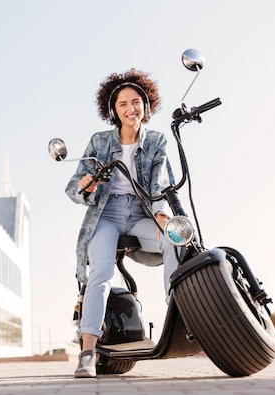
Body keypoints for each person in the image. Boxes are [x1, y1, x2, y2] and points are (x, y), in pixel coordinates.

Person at [65, 68, 178, 378]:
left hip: (143, 213)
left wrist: (161, 214)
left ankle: (178, 313)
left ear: (146, 103)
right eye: (123, 104)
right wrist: (86, 184)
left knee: (175, 241)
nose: (131, 109)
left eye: (136, 102)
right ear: (113, 111)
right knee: (101, 271)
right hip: (107, 215)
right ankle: (87, 351)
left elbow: (161, 182)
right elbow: (73, 187)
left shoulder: (156, 141)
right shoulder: (99, 141)